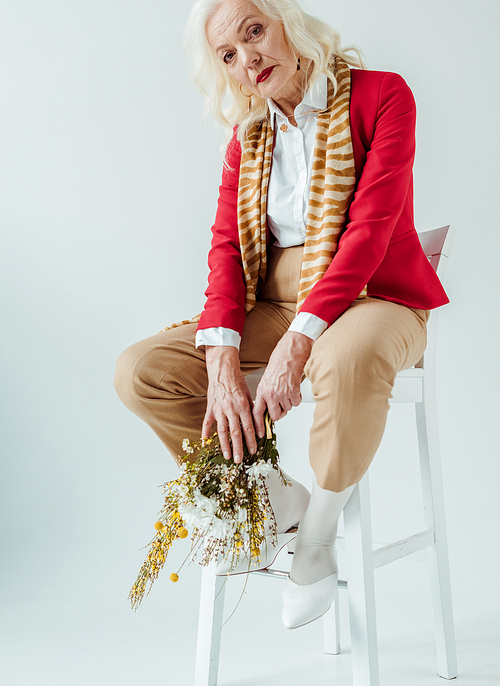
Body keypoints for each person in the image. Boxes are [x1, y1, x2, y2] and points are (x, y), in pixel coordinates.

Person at [114, 0, 449, 629]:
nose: (249, 59)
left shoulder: (382, 96)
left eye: (254, 31)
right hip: (274, 302)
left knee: (346, 359)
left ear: (287, 23)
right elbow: (224, 248)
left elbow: (372, 231)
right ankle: (272, 495)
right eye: (229, 54)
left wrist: (300, 343)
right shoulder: (249, 136)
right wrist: (219, 358)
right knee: (143, 370)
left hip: (376, 293)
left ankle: (317, 538)